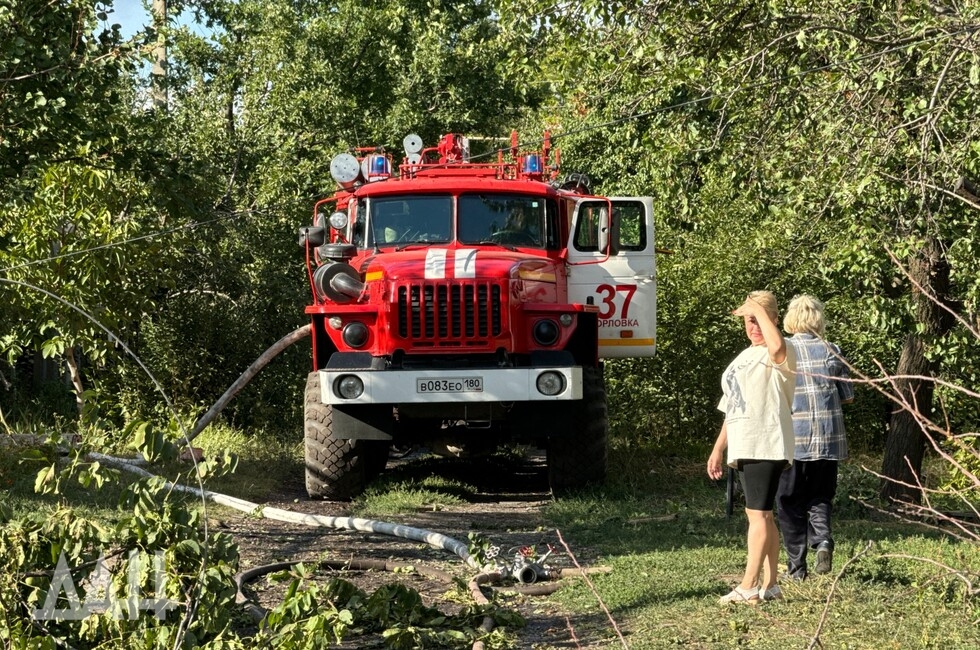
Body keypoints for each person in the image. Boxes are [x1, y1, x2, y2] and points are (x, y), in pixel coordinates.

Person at [707, 290, 797, 604]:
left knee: (757, 517)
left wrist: (760, 311)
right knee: (763, 516)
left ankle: (748, 586)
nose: (753, 326)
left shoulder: (782, 350)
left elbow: (777, 346)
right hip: (744, 443)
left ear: (773, 319)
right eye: (748, 320)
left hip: (766, 442)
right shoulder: (744, 356)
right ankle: (770, 585)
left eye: (758, 319)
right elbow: (732, 406)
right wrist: (719, 448)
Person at [777, 295, 854, 579]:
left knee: (789, 501)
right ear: (818, 320)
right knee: (820, 496)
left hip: (793, 441)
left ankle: (796, 567)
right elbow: (847, 397)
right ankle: (822, 541)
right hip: (830, 441)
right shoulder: (832, 350)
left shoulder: (781, 350)